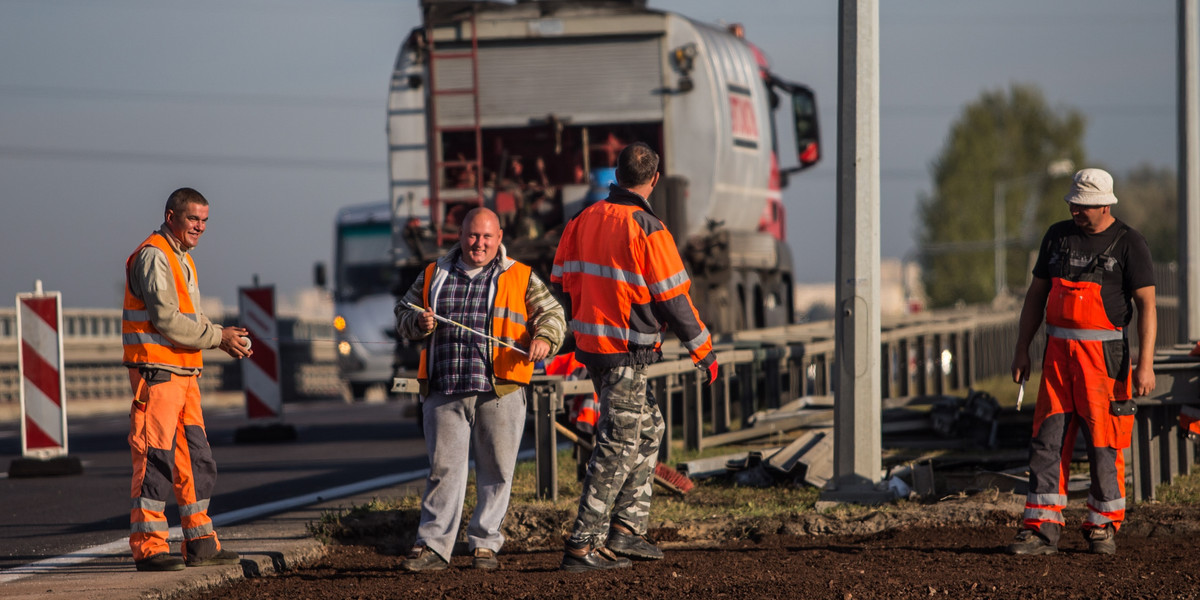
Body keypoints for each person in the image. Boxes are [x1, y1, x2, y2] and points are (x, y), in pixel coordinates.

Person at [551, 141, 718, 572]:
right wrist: (703, 350)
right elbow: (675, 300)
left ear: (616, 176)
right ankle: (582, 545)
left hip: (594, 348)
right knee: (617, 444)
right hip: (625, 352)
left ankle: (627, 530)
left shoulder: (581, 220)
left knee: (649, 428)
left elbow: (561, 284)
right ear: (654, 180)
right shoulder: (648, 227)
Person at [394, 207, 566, 572]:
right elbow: (402, 313)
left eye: (487, 237)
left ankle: (485, 544)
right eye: (473, 235)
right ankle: (432, 547)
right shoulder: (433, 273)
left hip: (500, 390)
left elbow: (553, 315)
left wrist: (544, 339)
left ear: (499, 238)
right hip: (444, 389)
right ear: (460, 235)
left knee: (497, 470)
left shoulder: (520, 276)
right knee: (443, 470)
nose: (480, 243)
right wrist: (417, 322)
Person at [1008, 168, 1156, 556]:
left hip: (1105, 360)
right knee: (1047, 440)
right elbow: (1036, 295)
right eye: (1073, 203)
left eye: (1084, 205)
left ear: (1105, 205)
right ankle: (1041, 528)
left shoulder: (1129, 243)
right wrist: (1022, 347)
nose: (1076, 209)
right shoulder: (1057, 237)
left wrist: (1146, 364)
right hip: (1058, 358)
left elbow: (1147, 306)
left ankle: (1102, 526)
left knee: (1104, 442)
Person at [123, 187, 252, 571]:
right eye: (193, 219)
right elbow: (167, 321)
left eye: (205, 220)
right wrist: (219, 337)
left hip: (184, 374)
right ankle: (148, 546)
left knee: (196, 462)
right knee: (155, 460)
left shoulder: (182, 259)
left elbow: (187, 320)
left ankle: (199, 542)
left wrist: (218, 336)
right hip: (158, 373)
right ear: (171, 216)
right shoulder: (154, 256)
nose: (200, 227)